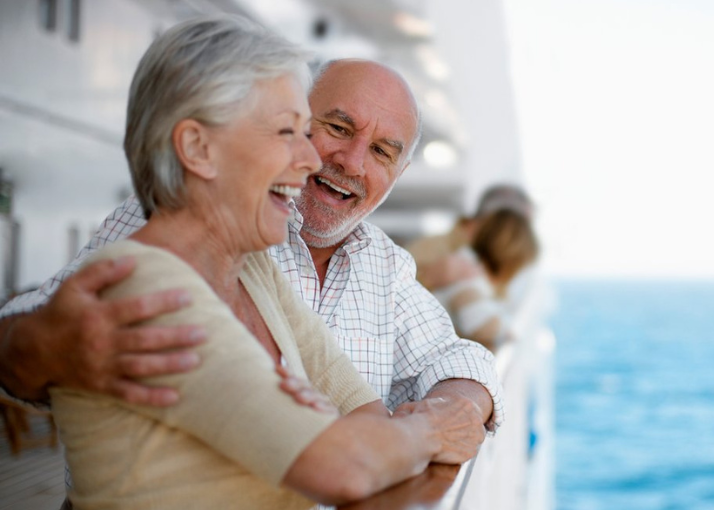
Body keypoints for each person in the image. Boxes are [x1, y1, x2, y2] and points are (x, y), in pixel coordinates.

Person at [44, 16, 481, 508]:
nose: (309, 158)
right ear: (198, 149)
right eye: (288, 131)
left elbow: (364, 417)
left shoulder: (251, 270)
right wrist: (430, 428)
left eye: (380, 151)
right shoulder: (152, 285)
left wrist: (382, 436)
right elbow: (342, 465)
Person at [0, 58, 501, 436]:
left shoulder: (384, 265)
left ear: (398, 175)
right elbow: (23, 340)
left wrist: (452, 412)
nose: (350, 161)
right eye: (338, 128)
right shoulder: (184, 211)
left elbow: (451, 357)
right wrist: (57, 344)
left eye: (380, 151)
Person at [423, 209, 539, 350]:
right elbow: (479, 324)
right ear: (512, 262)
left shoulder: (469, 264)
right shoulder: (467, 271)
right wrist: (510, 332)